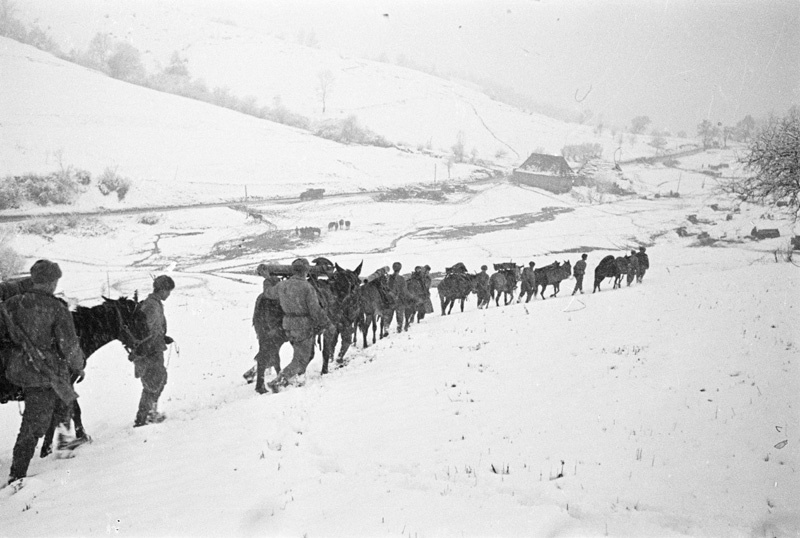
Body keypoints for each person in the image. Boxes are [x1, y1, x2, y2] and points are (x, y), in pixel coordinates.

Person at [2, 260, 85, 485]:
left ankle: (67, 448)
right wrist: (79, 365)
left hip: (20, 366)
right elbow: (69, 346)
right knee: (34, 423)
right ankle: (17, 475)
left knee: (65, 403)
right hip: (46, 371)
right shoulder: (56, 307)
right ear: (51, 282)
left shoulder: (11, 304)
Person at [265, 258, 330, 392]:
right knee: (301, 359)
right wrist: (327, 324)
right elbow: (315, 311)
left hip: (288, 326)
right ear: (306, 271)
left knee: (300, 355)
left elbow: (268, 293)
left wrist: (267, 279)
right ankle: (279, 380)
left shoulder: (283, 285)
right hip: (303, 327)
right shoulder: (307, 287)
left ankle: (293, 377)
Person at [130, 275, 175, 427]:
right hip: (149, 351)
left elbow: (154, 328)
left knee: (158, 380)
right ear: (161, 290)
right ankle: (143, 417)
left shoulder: (155, 303)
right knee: (153, 383)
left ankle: (149, 412)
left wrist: (163, 337)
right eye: (168, 291)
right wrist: (148, 346)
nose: (168, 294)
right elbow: (145, 330)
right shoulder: (151, 305)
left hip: (154, 348)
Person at [252, 265, 286, 394]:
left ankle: (263, 378)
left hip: (267, 326)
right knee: (269, 347)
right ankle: (262, 383)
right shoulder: (271, 289)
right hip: (274, 326)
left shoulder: (263, 296)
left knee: (268, 347)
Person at [382, 262, 408, 335]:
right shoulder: (402, 279)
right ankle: (399, 327)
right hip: (399, 301)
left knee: (388, 316)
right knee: (400, 316)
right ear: (400, 269)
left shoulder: (389, 278)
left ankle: (386, 328)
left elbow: (385, 288)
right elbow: (404, 291)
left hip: (389, 300)